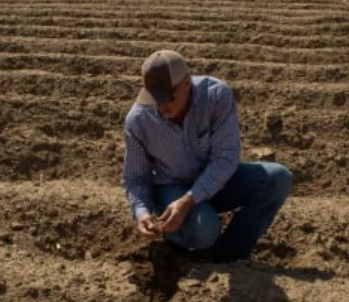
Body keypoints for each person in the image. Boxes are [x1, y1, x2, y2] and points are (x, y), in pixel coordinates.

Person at [121, 50, 293, 263]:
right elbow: (136, 178)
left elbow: (226, 157)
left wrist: (190, 200)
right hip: (172, 187)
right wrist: (142, 213)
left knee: (278, 178)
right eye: (156, 99)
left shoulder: (215, 96)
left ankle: (229, 255)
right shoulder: (138, 121)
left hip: (215, 181)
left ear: (186, 84)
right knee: (204, 231)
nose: (162, 107)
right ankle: (177, 241)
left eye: (169, 98)